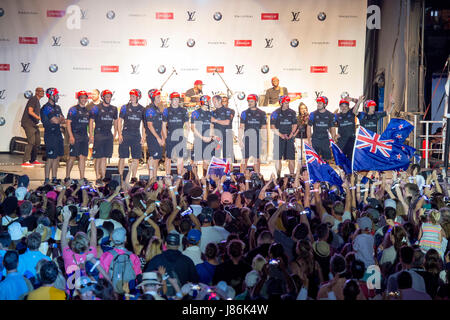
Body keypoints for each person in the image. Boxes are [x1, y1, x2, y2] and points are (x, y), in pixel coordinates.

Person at [89, 89, 118, 185]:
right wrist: (91, 135)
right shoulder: (96, 108)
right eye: (107, 97)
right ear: (103, 97)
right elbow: (91, 121)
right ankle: (97, 177)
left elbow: (116, 121)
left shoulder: (114, 109)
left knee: (105, 157)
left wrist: (116, 132)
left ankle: (104, 177)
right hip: (98, 135)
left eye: (110, 97)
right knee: (98, 157)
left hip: (108, 135)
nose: (109, 98)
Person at [118, 89, 146, 182]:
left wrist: (143, 137)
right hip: (125, 134)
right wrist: (119, 134)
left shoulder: (142, 109)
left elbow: (144, 124)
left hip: (136, 135)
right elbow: (119, 121)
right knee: (122, 156)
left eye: (134, 96)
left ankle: (133, 177)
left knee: (136, 157)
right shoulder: (124, 107)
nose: (132, 98)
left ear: (138, 97)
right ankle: (120, 176)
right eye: (131, 96)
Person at [40, 87, 65, 184]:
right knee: (50, 157)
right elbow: (56, 120)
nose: (58, 97)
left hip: (58, 134)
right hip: (50, 135)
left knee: (57, 156)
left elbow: (62, 119)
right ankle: (46, 179)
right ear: (50, 96)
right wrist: (58, 119)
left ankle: (54, 177)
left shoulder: (58, 107)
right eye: (56, 95)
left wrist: (59, 119)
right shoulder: (46, 108)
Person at [65, 90, 90, 182]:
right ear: (79, 99)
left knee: (83, 157)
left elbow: (89, 124)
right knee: (72, 157)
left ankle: (82, 177)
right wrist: (71, 136)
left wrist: (90, 136)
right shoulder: (73, 109)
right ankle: (67, 177)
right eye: (82, 98)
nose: (83, 99)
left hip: (84, 136)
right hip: (75, 135)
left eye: (85, 98)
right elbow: (68, 123)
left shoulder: (87, 110)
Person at [270, 95, 298, 177]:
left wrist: (292, 134)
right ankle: (278, 176)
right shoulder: (275, 113)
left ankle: (292, 175)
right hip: (278, 137)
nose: (287, 104)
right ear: (281, 103)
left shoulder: (292, 112)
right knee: (278, 158)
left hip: (289, 138)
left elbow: (295, 124)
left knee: (291, 157)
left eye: (288, 103)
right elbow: (272, 127)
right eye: (285, 103)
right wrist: (280, 135)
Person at [162, 92, 189, 176]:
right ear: (171, 100)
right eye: (174, 99)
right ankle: (167, 175)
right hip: (170, 136)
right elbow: (163, 125)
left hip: (180, 137)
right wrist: (166, 138)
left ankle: (180, 175)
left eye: (177, 99)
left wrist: (186, 137)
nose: (176, 101)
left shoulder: (184, 111)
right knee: (168, 157)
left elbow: (188, 125)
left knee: (180, 157)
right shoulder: (166, 110)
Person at [239, 94, 267, 173]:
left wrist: (265, 142)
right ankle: (241, 178)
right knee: (244, 159)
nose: (250, 103)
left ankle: (257, 177)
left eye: (251, 101)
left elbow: (264, 129)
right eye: (248, 101)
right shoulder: (244, 113)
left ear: (256, 101)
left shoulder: (262, 113)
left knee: (257, 160)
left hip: (257, 140)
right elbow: (241, 127)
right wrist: (240, 140)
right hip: (247, 139)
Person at [306, 96, 337, 161]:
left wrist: (333, 141)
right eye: (318, 103)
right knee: (315, 160)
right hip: (315, 140)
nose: (318, 104)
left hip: (325, 140)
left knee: (326, 160)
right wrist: (309, 141)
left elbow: (333, 128)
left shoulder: (330, 115)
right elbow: (308, 127)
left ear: (325, 104)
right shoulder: (312, 114)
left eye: (320, 103)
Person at [191, 95, 215, 176]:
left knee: (207, 162)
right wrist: (202, 137)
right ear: (204, 102)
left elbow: (212, 126)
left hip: (208, 141)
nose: (210, 103)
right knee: (194, 162)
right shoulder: (195, 113)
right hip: (199, 140)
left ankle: (205, 181)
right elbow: (193, 128)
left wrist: (210, 137)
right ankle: (195, 180)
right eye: (209, 101)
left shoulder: (211, 113)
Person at [21, 87, 44, 168]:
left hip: (34, 124)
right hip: (28, 123)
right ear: (36, 92)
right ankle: (25, 161)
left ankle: (33, 160)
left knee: (37, 142)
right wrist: (39, 118)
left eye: (43, 91)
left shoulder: (37, 101)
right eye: (40, 91)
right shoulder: (33, 99)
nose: (42, 92)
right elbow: (30, 111)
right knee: (31, 141)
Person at [334, 96, 364, 160]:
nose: (344, 108)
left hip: (351, 140)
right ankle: (342, 169)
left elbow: (357, 104)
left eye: (345, 106)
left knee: (351, 158)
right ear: (340, 107)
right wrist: (334, 135)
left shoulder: (352, 112)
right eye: (342, 106)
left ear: (348, 106)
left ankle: (351, 169)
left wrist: (353, 99)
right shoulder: (337, 115)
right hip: (341, 141)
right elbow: (331, 125)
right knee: (342, 158)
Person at [145, 89, 164, 179]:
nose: (159, 98)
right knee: (153, 158)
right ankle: (152, 178)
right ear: (153, 98)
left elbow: (160, 125)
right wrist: (158, 138)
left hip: (157, 136)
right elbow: (149, 125)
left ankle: (154, 178)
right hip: (152, 137)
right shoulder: (150, 110)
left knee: (156, 159)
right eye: (157, 97)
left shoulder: (158, 109)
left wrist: (162, 137)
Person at [211, 95, 235, 164]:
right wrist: (212, 135)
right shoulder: (213, 112)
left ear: (219, 101)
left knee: (227, 156)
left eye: (215, 101)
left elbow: (227, 122)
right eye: (213, 102)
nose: (214, 103)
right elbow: (211, 124)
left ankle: (229, 173)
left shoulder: (228, 111)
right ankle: (217, 173)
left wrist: (215, 120)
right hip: (217, 136)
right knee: (216, 155)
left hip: (226, 135)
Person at [86, 89, 101, 163]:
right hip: (91, 128)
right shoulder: (88, 106)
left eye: (94, 94)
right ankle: (90, 159)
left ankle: (98, 159)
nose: (92, 95)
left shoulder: (103, 104)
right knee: (91, 144)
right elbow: (86, 118)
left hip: (101, 130)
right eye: (91, 94)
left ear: (98, 95)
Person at [294, 102, 309, 167]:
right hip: (298, 138)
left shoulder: (309, 117)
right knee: (299, 156)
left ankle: (307, 170)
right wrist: (303, 121)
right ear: (299, 110)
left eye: (304, 108)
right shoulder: (297, 118)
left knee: (307, 155)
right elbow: (298, 127)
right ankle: (299, 171)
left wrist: (307, 119)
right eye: (301, 109)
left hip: (307, 138)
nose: (303, 110)